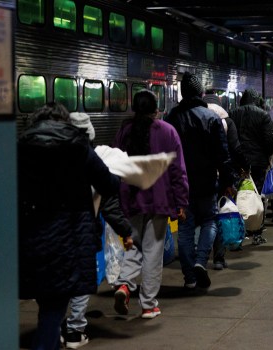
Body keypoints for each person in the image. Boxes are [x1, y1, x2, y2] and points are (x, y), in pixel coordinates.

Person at [18, 102, 120, 350]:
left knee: (48, 306)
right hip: (69, 237)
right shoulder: (78, 146)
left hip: (31, 235)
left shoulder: (21, 146)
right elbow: (108, 184)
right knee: (54, 308)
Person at [111, 90, 189, 317]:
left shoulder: (124, 131)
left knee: (132, 246)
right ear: (157, 109)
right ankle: (148, 305)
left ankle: (124, 284)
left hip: (131, 199)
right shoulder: (168, 131)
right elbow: (178, 171)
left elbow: (114, 166)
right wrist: (181, 201)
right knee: (153, 252)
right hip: (160, 200)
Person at [63, 112, 134, 349]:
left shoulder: (52, 155)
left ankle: (56, 327)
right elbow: (110, 204)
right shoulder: (90, 158)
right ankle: (75, 331)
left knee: (59, 279)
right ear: (90, 134)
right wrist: (126, 231)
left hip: (51, 229)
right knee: (83, 278)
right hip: (81, 227)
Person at [166, 73, 236, 289]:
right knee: (209, 221)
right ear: (200, 93)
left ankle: (189, 278)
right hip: (206, 181)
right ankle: (200, 261)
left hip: (181, 184)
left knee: (185, 228)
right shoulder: (211, 117)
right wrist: (227, 181)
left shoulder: (171, 118)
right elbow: (221, 155)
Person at [203, 93, 249, 270]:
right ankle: (219, 258)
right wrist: (244, 167)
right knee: (221, 214)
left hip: (200, 176)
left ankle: (200, 256)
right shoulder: (227, 122)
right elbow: (235, 149)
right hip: (223, 175)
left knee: (203, 217)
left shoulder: (197, 119)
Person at [228, 88, 273, 244]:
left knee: (236, 196)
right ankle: (256, 231)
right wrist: (267, 155)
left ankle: (238, 231)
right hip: (257, 163)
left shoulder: (232, 113)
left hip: (236, 162)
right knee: (256, 196)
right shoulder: (263, 115)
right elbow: (269, 141)